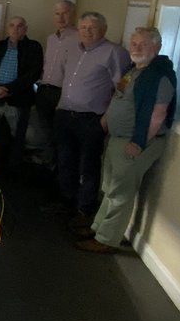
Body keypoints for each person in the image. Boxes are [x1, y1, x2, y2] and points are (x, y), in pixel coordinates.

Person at [76, 28, 176, 253]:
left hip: (135, 142)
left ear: (157, 47)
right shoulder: (134, 71)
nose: (136, 48)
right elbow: (118, 98)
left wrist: (139, 143)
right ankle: (98, 228)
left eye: (143, 44)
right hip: (117, 138)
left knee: (120, 192)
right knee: (109, 187)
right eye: (134, 43)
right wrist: (103, 124)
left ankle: (106, 240)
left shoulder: (159, 76)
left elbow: (158, 114)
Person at [53, 12, 131, 227]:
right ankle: (67, 202)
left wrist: (106, 119)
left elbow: (122, 91)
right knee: (65, 162)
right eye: (84, 27)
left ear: (103, 30)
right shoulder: (74, 50)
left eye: (92, 28)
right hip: (65, 114)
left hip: (91, 119)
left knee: (88, 167)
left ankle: (84, 210)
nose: (87, 31)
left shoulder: (114, 53)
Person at [0, 17, 43, 174]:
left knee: (16, 138)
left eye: (20, 26)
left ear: (25, 29)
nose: (15, 29)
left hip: (18, 100)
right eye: (12, 25)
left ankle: (12, 174)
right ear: (8, 28)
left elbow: (33, 74)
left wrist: (8, 89)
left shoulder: (33, 47)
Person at [36, 0, 79, 165]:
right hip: (44, 90)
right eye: (57, 13)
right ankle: (48, 165)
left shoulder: (79, 38)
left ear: (73, 15)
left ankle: (58, 170)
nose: (61, 17)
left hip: (62, 93)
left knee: (61, 134)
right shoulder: (51, 38)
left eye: (65, 13)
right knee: (46, 132)